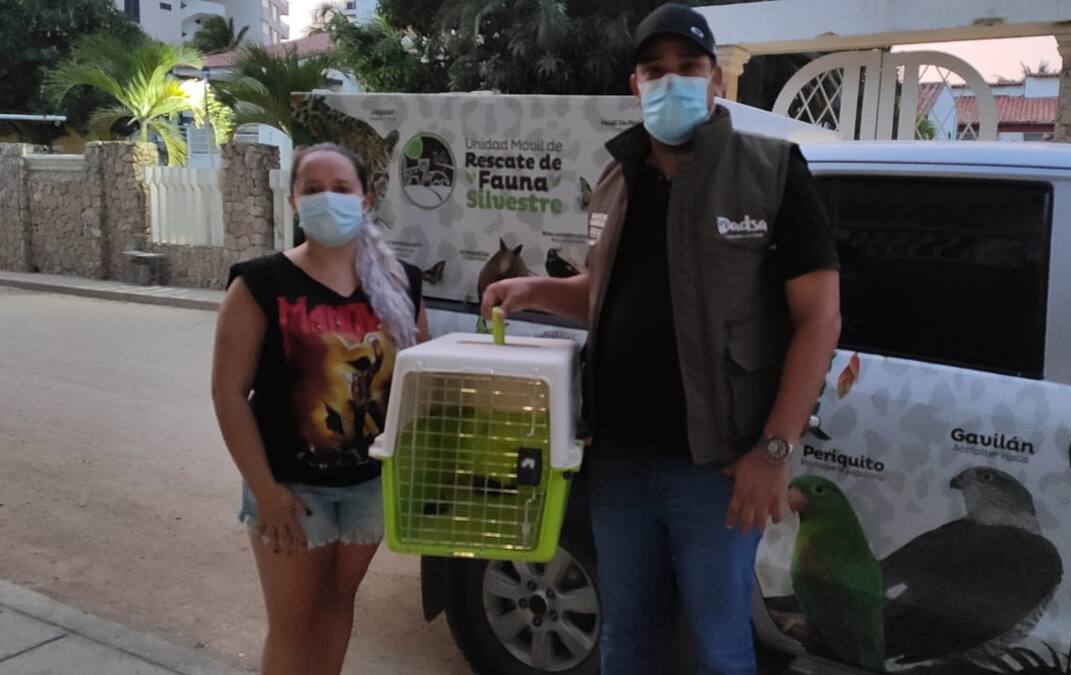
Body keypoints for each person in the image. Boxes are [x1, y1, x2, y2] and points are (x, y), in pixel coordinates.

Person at [482, 4, 841, 673]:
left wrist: (773, 451)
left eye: (688, 67)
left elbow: (820, 319)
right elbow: (609, 293)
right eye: (655, 70)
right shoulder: (616, 180)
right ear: (635, 85)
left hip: (717, 469)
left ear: (715, 80)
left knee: (718, 645)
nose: (671, 81)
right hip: (618, 464)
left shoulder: (771, 172)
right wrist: (533, 289)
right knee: (625, 638)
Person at [211, 143, 428, 675]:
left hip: (370, 486)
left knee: (337, 606)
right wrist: (266, 492)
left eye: (341, 188)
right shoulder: (260, 283)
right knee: (293, 625)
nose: (327, 198)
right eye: (312, 189)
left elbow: (419, 383)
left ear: (364, 200)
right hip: (290, 489)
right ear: (293, 202)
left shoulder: (401, 282)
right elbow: (227, 392)